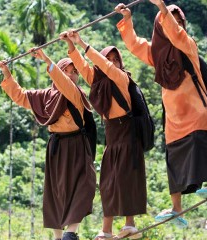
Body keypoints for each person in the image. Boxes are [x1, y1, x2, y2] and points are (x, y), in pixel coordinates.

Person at [115, 0, 207, 228]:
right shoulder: (157, 55)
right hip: (175, 119)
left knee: (200, 141)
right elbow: (135, 45)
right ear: (159, 27)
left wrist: (164, 10)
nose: (175, 25)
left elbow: (176, 36)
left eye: (179, 22)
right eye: (168, 22)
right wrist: (127, 20)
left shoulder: (188, 46)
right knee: (173, 159)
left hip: (196, 112)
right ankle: (176, 209)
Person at [0, 48, 96, 240]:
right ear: (59, 71)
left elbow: (65, 86)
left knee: (86, 186)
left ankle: (70, 232)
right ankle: (58, 237)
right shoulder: (45, 96)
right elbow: (20, 96)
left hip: (77, 144)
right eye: (68, 70)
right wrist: (7, 73)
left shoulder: (76, 93)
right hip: (57, 147)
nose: (73, 73)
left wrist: (46, 60)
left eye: (75, 71)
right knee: (56, 192)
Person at [59, 30, 146, 239]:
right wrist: (72, 46)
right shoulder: (99, 84)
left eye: (117, 59)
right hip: (112, 136)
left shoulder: (122, 78)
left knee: (126, 179)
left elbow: (103, 67)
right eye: (110, 59)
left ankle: (129, 224)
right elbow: (84, 67)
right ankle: (106, 230)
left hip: (127, 134)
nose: (113, 63)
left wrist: (81, 42)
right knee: (107, 183)